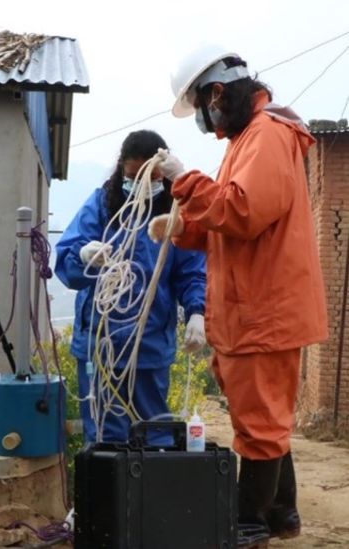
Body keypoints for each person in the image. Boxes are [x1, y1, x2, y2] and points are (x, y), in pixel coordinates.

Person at [149, 45, 328, 546]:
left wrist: (184, 181)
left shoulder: (267, 135)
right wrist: (181, 227)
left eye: (203, 111)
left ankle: (246, 523)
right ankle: (281, 516)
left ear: (218, 93)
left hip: (264, 308)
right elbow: (226, 219)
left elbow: (245, 212)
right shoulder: (249, 140)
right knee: (263, 416)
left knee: (260, 423)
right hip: (253, 307)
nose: (207, 124)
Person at [55, 129, 207, 445]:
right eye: (131, 176)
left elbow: (192, 272)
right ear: (122, 169)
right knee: (103, 441)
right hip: (100, 347)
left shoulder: (174, 215)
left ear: (163, 175)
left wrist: (197, 312)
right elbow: (68, 258)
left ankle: (151, 494)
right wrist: (84, 255)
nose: (138, 186)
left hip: (149, 347)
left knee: (155, 435)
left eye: (147, 177)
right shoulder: (101, 204)